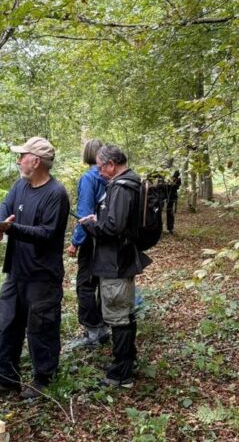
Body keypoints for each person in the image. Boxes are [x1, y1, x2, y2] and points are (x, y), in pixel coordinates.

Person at [0, 137, 70, 399]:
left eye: (22, 155)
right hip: (16, 272)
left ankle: (43, 380)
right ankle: (5, 379)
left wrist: (12, 228)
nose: (18, 160)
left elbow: (46, 233)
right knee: (7, 323)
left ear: (35, 161)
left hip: (42, 277)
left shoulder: (56, 194)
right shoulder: (20, 185)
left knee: (41, 329)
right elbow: (5, 205)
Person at [80, 144, 151, 388]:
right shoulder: (131, 183)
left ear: (111, 165)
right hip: (120, 259)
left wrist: (90, 224)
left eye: (100, 167)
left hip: (116, 262)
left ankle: (121, 374)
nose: (98, 172)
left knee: (118, 315)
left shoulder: (122, 188)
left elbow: (113, 227)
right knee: (124, 313)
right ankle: (126, 362)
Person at [66, 139, 110, 349]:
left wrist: (75, 242)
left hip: (92, 240)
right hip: (108, 239)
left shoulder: (89, 178)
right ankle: (103, 327)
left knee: (85, 285)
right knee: (102, 283)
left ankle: (93, 331)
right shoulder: (111, 177)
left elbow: (84, 215)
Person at [165, 164, 182, 234]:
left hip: (171, 198)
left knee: (170, 212)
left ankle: (170, 228)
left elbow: (177, 187)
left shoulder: (178, 180)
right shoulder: (169, 178)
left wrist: (173, 184)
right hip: (165, 196)